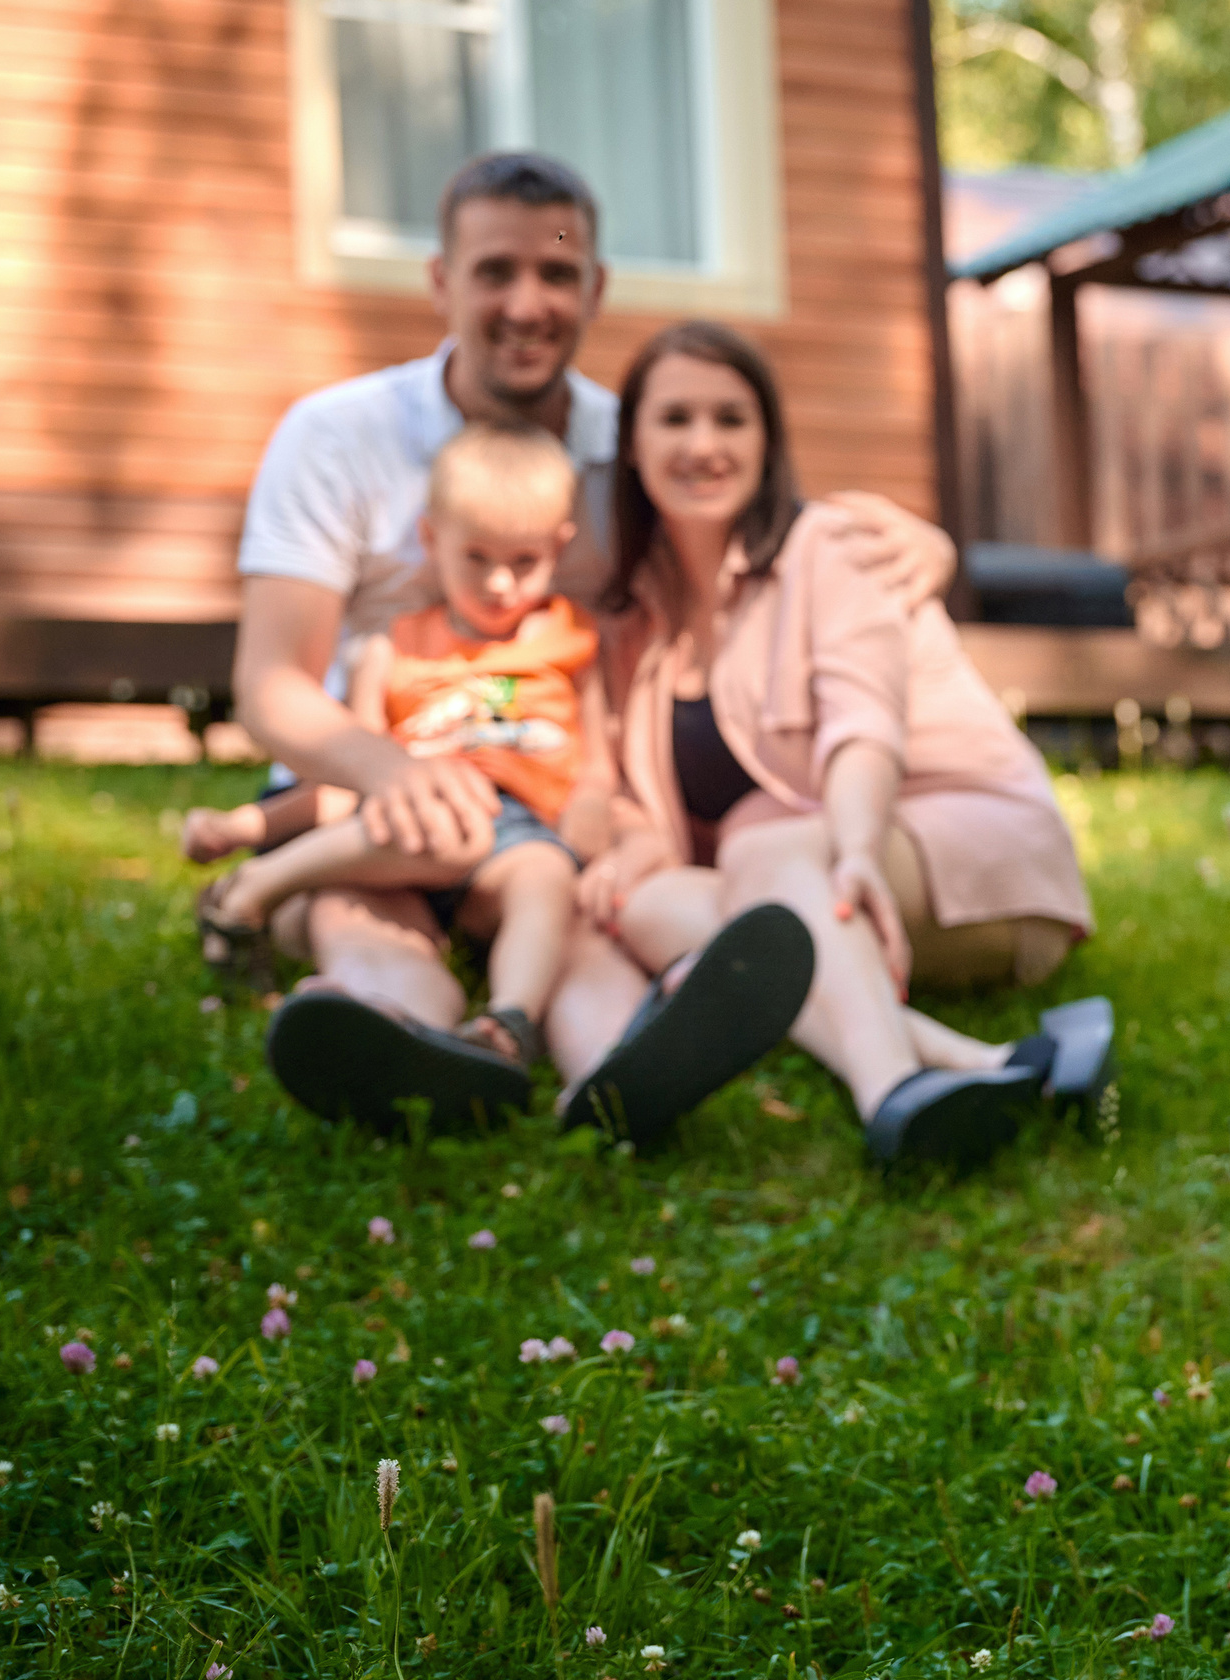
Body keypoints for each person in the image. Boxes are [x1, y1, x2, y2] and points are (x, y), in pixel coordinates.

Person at [225, 150, 951, 1123]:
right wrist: (389, 772)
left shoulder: (630, 448)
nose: (528, 303)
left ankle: (616, 1069)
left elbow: (756, 527)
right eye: (496, 271)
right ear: (442, 281)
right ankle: (396, 1031)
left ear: (595, 288)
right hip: (376, 781)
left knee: (577, 918)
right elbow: (271, 685)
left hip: (538, 790)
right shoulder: (336, 436)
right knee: (374, 919)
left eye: (557, 273)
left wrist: (918, 540)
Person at [545, 320, 1108, 1160]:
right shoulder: (634, 623)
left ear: (768, 440)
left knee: (765, 852)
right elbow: (642, 799)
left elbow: (863, 723)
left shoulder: (833, 548)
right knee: (656, 905)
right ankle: (988, 1062)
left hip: (950, 856)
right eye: (675, 420)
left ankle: (891, 1089)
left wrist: (851, 845)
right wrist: (627, 847)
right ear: (630, 443)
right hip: (794, 892)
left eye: (731, 419)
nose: (704, 444)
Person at [201, 424, 601, 1123]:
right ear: (430, 539)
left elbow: (599, 750)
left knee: (546, 876)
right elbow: (345, 777)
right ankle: (271, 898)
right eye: (476, 557)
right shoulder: (391, 650)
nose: (500, 583)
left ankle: (502, 1030)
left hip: (519, 831)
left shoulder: (568, 641)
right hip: (407, 823)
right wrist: (247, 825)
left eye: (524, 561)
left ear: (558, 549)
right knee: (450, 828)